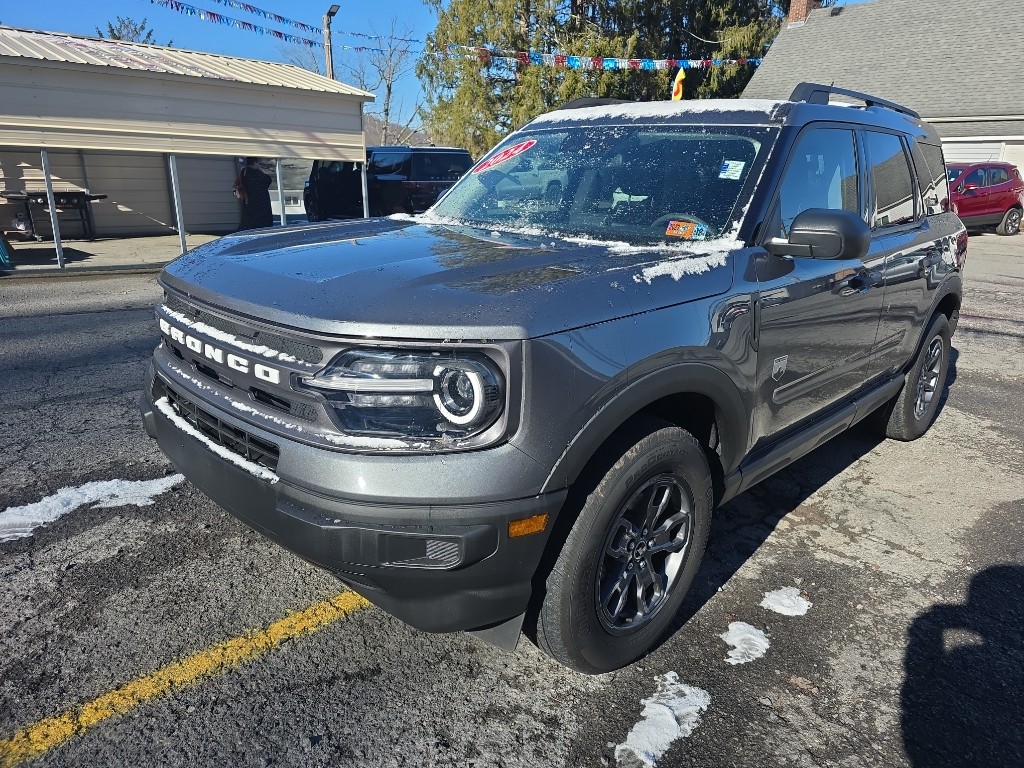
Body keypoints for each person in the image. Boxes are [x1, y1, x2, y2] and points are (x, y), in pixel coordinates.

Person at [237, 157, 273, 231]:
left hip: (248, 201)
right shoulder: (256, 173)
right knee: (260, 223)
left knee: (249, 221)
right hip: (260, 203)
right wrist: (260, 170)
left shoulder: (244, 172)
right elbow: (268, 180)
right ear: (255, 163)